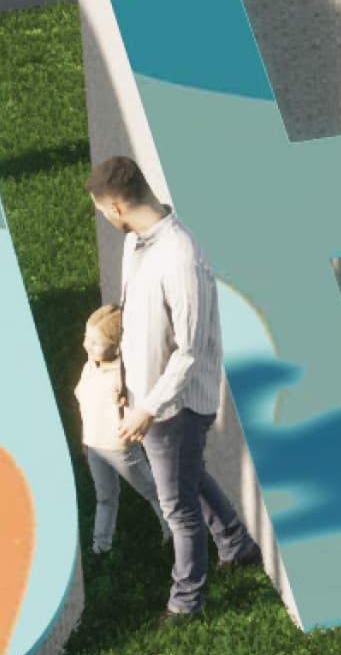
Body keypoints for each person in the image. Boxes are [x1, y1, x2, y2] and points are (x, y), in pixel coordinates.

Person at [83, 154, 263, 620]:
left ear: (118, 207)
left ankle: (187, 603)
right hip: (146, 397)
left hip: (176, 406)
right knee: (188, 475)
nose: (105, 219)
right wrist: (124, 381)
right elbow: (134, 319)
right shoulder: (136, 244)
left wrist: (149, 409)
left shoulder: (182, 259)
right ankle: (237, 544)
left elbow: (190, 350)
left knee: (178, 507)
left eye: (103, 211)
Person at [72, 304, 159, 557]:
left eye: (96, 343)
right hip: (95, 447)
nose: (87, 346)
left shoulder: (124, 375)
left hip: (120, 448)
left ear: (119, 346)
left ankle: (175, 532)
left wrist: (126, 400)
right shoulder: (90, 367)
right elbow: (85, 405)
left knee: (152, 491)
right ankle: (101, 547)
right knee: (105, 498)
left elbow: (143, 404)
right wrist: (85, 441)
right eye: (87, 338)